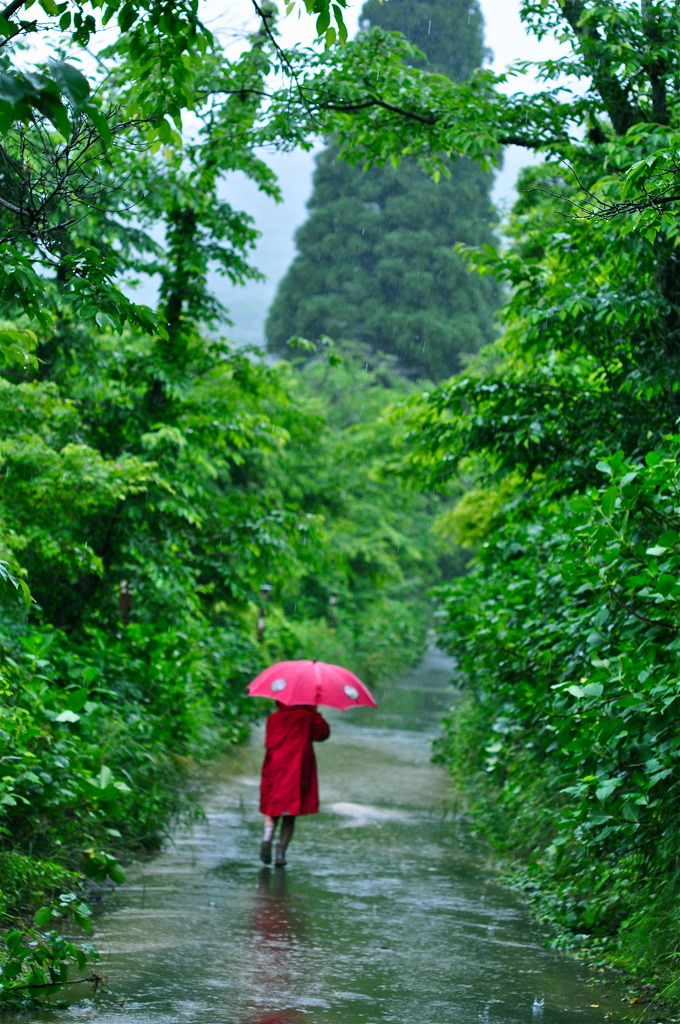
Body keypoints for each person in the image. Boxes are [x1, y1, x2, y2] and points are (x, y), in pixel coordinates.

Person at [259, 701, 330, 867]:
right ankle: (281, 852)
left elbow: (268, 741)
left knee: (272, 810)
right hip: (298, 768)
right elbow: (322, 735)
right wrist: (316, 715)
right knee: (290, 813)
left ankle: (266, 838)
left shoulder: (274, 718)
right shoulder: (307, 717)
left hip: (275, 766)